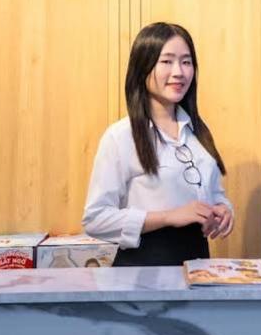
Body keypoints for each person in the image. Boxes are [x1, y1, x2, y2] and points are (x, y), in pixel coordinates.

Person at [82, 22, 234, 266]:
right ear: (143, 67)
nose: (179, 72)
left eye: (186, 62)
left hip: (198, 267)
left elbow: (216, 195)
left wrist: (223, 211)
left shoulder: (197, 132)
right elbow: (95, 219)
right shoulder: (121, 136)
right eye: (167, 61)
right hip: (144, 271)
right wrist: (168, 217)